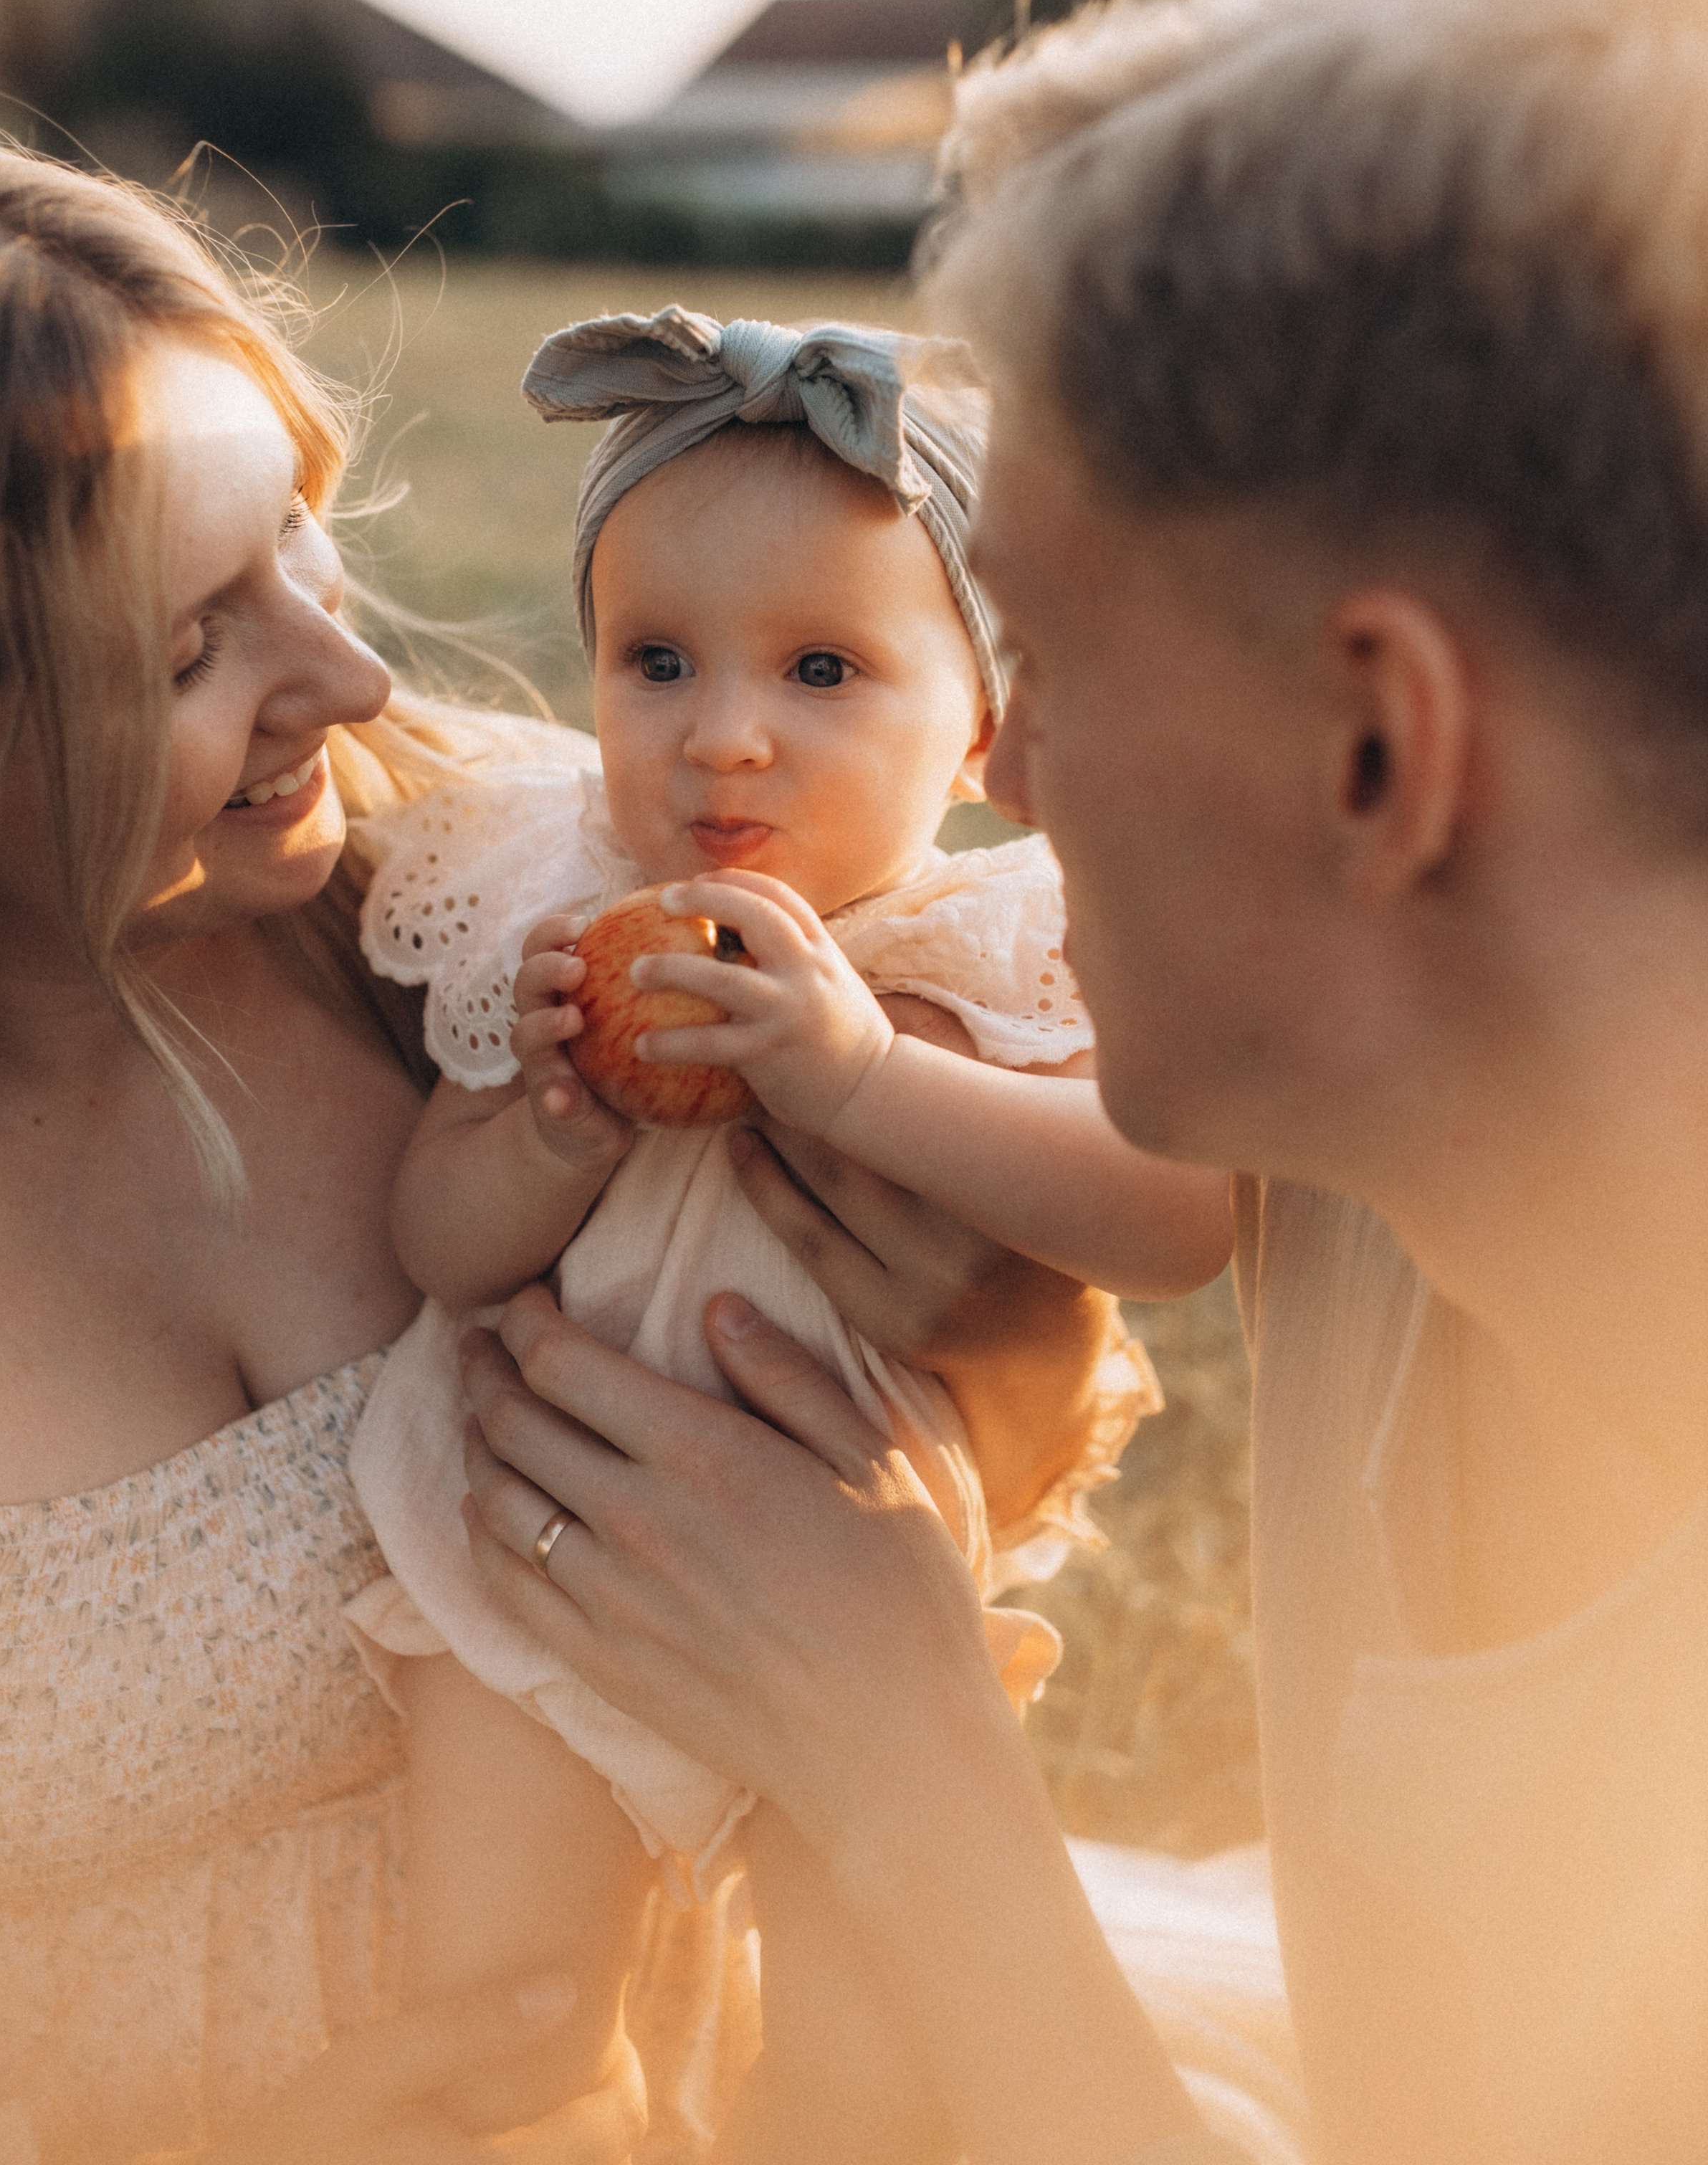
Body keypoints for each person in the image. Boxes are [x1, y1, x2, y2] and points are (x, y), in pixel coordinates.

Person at [454, 0, 1708, 2165]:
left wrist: (906, 1757)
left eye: (1051, 660)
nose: (1003, 780)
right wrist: (997, 1415)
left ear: (1379, 757)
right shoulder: (1393, 1135)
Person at [0, 125, 1126, 2164]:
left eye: (306, 539)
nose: (355, 678)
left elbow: (1010, 1347)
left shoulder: (500, 884)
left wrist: (1002, 1358)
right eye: (190, 647)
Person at [343, 308, 1228, 2153]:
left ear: (979, 728)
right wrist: (543, 1124)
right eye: (654, 662)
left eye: (822, 671)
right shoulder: (560, 914)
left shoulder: (982, 963)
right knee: (511, 2025)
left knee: (860, 2076)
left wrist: (859, 1084)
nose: (725, 737)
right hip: (527, 1579)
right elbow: (434, 1241)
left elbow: (1176, 1217)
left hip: (858, 1598)